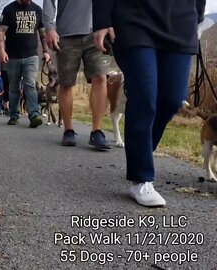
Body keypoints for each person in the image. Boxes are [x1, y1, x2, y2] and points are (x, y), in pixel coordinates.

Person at [92, 0, 206, 207]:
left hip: (181, 21)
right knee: (144, 96)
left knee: (172, 100)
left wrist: (197, 16)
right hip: (134, 18)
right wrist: (102, 19)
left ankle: (141, 152)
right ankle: (141, 178)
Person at [42, 0, 110, 149]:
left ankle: (97, 131)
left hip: (97, 31)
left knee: (100, 77)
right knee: (66, 83)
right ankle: (68, 130)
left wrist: (111, 23)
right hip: (66, 35)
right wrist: (49, 28)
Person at [0, 0, 50, 128]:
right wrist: (2, 51)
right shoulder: (9, 9)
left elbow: (43, 34)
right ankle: (14, 115)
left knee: (30, 85)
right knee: (14, 87)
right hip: (13, 56)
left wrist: (46, 51)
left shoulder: (37, 9)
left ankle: (33, 115)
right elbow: (1, 32)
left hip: (31, 55)